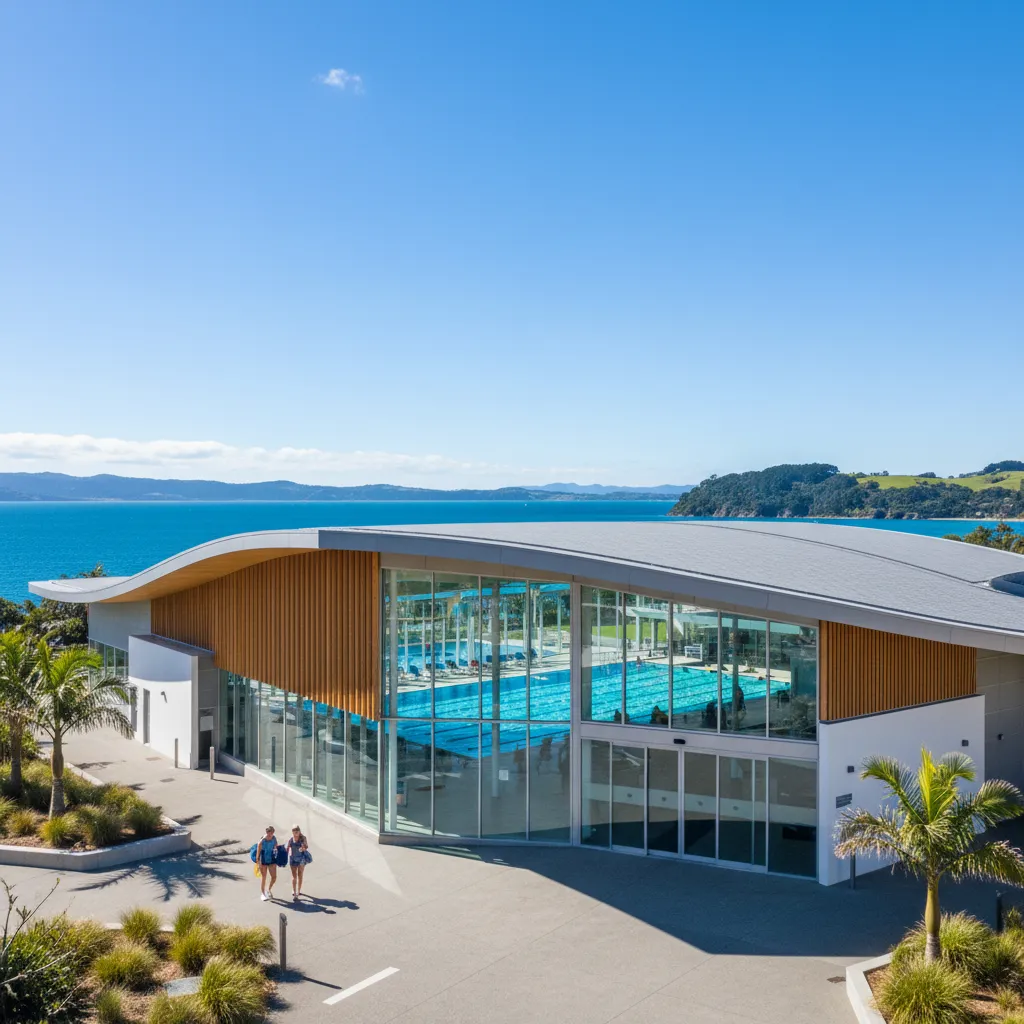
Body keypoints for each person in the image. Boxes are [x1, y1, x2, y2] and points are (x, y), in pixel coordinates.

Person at [256, 825, 279, 901]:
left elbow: (276, 847)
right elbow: (258, 852)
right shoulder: (262, 841)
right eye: (269, 833)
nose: (270, 835)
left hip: (272, 859)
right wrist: (258, 862)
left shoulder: (274, 838)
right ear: (266, 832)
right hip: (264, 860)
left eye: (272, 833)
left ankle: (268, 890)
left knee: (274, 877)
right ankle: (263, 894)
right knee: (264, 877)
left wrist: (276, 857)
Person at [287, 825, 309, 901]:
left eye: (297, 831)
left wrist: (302, 848)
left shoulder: (303, 839)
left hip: (301, 859)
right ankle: (294, 891)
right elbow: (288, 848)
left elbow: (306, 846)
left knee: (300, 875)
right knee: (294, 876)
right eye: (294, 831)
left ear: (299, 831)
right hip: (293, 859)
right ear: (292, 832)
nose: (295, 832)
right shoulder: (291, 839)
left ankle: (299, 890)